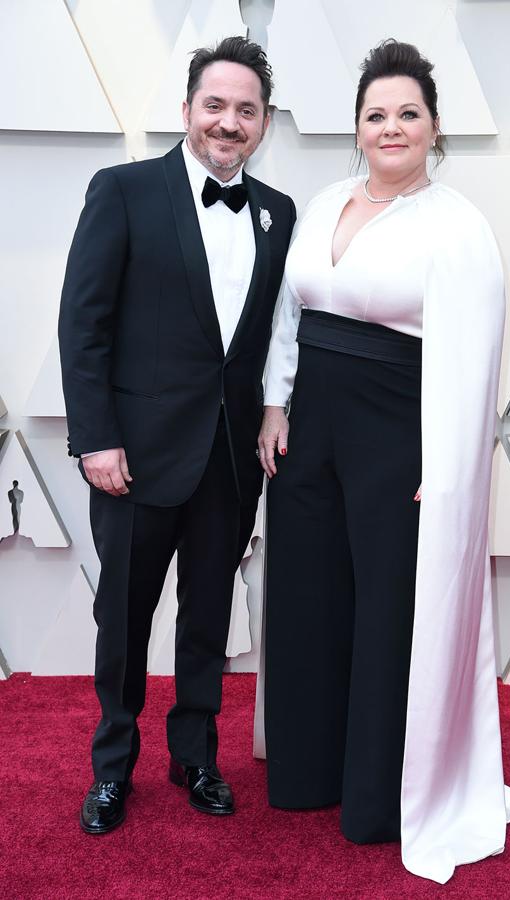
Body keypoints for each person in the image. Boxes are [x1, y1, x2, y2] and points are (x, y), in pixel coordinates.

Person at [258, 39, 510, 883]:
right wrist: (276, 404)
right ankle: (308, 773)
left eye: (407, 114)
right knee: (308, 599)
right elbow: (288, 310)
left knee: (391, 612)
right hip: (309, 430)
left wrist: (446, 464)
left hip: (400, 438)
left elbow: (472, 358)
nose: (391, 127)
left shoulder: (459, 227)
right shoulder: (323, 203)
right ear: (356, 127)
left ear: (434, 128)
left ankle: (381, 791)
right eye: (376, 114)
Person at [58, 36, 296, 835]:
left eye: (247, 110)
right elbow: (83, 326)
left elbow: (273, 334)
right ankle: (111, 769)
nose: (230, 122)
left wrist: (274, 406)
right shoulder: (123, 191)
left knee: (208, 620)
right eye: (216, 105)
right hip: (135, 455)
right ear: (189, 108)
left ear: (264, 122)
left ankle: (196, 757)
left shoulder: (278, 212)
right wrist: (95, 438)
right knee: (122, 618)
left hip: (229, 461)